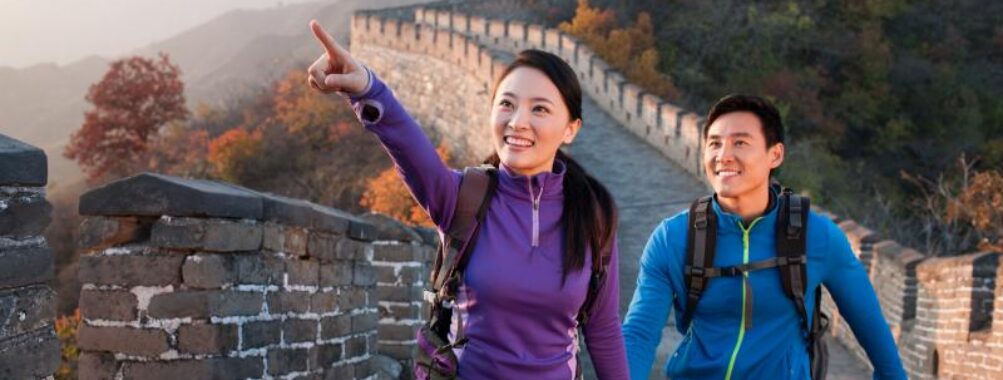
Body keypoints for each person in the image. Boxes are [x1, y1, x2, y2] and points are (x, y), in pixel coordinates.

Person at [305, 21, 628, 379]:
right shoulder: (463, 198)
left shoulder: (592, 214)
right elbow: (410, 148)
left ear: (571, 129)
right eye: (507, 104)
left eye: (540, 109)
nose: (518, 122)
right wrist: (367, 88)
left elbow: (602, 328)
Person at [621, 94, 907, 379]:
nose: (724, 155)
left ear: (775, 154)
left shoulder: (817, 237)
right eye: (715, 143)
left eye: (740, 142)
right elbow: (639, 333)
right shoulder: (674, 238)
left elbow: (873, 331)